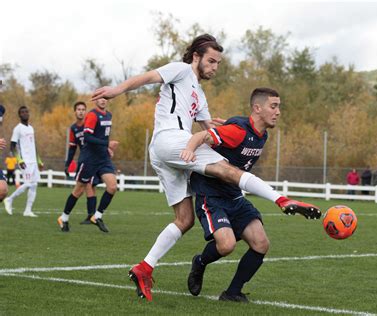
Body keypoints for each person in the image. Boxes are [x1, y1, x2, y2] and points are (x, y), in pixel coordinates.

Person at [91, 34, 319, 301]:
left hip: (165, 151)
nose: (214, 67)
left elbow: (208, 128)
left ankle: (144, 268)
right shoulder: (180, 69)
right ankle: (281, 199)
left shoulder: (199, 93)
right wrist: (118, 90)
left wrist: (220, 126)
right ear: (196, 56)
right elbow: (148, 78)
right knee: (226, 170)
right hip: (171, 139)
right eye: (211, 60)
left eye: (218, 63)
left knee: (184, 220)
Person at [184, 88, 321, 302]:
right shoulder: (238, 130)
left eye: (279, 106)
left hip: (235, 196)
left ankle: (232, 293)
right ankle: (200, 263)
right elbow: (202, 135)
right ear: (257, 108)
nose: (278, 112)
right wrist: (189, 149)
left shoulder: (261, 134)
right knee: (227, 245)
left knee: (261, 243)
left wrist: (228, 123)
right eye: (273, 106)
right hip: (211, 196)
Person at [57, 98, 119, 233]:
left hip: (103, 158)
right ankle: (64, 217)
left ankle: (96, 216)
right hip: (89, 159)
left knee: (112, 186)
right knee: (79, 190)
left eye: (105, 98)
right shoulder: (92, 115)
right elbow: (88, 137)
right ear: (95, 100)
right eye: (100, 98)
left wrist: (107, 148)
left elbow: (102, 136)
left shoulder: (108, 115)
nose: (103, 101)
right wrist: (107, 144)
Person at [62, 101, 102, 226]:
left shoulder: (89, 124)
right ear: (75, 112)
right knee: (85, 187)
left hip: (95, 160)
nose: (81, 111)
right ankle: (90, 216)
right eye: (78, 109)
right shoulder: (74, 128)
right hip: (85, 160)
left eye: (83, 109)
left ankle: (90, 215)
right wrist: (67, 163)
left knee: (90, 187)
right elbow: (72, 147)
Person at [3, 106, 43, 217]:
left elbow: (34, 146)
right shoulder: (18, 129)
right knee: (28, 184)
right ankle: (9, 199)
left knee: (34, 185)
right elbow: (12, 146)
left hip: (34, 162)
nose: (25, 113)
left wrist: (39, 161)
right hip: (25, 161)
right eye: (22, 112)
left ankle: (27, 211)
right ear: (19, 115)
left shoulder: (31, 128)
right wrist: (19, 160)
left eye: (26, 112)